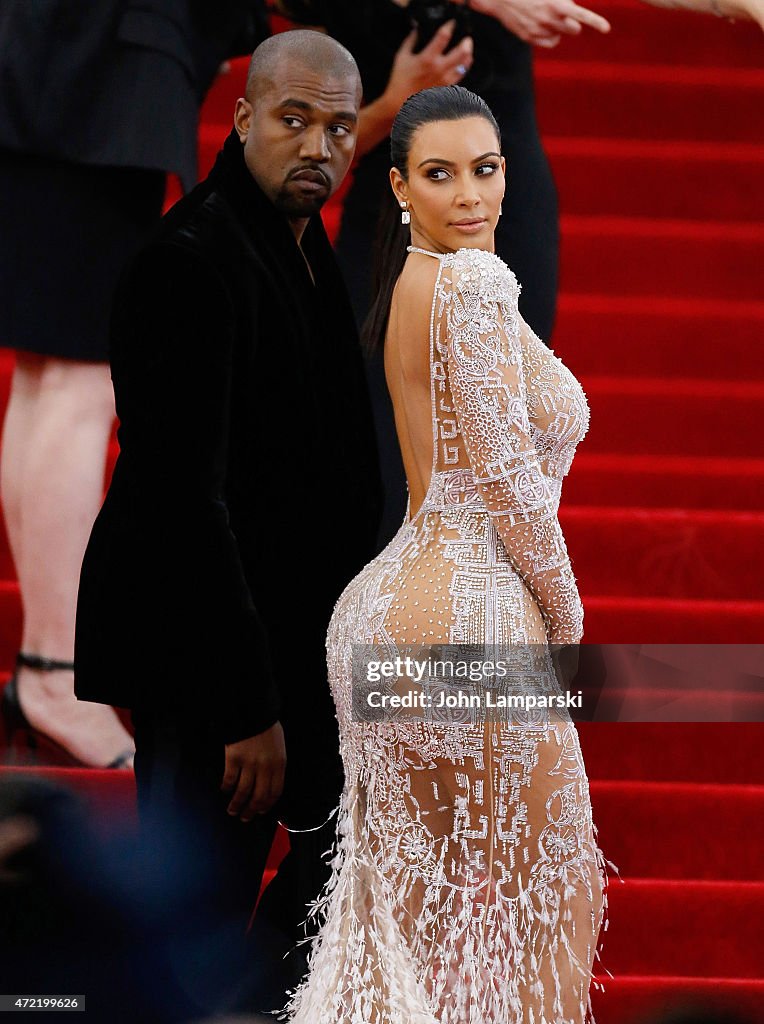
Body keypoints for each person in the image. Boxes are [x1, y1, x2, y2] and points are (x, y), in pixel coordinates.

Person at [284, 85, 607, 1023]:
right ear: (397, 185)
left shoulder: (418, 282)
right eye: (440, 174)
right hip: (468, 609)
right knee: (556, 899)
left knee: (392, 929)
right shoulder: (473, 284)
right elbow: (507, 479)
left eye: (487, 169)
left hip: (384, 611)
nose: (470, 194)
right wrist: (566, 619)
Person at [74, 29, 381, 1011]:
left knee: (295, 917)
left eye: (338, 126)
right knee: (188, 928)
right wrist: (247, 708)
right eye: (294, 120)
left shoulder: (299, 243)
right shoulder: (191, 261)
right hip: (211, 666)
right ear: (243, 116)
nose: (319, 148)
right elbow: (179, 502)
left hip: (292, 653)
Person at [0, 0, 270, 769]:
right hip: (94, 75)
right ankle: (53, 670)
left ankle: (46, 666)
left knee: (50, 375)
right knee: (79, 381)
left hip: (56, 68)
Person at [278, 0, 610, 545]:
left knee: (505, 423)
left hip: (509, 212)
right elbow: (301, 162)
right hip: (388, 217)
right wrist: (391, 102)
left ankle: (494, 604)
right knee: (372, 436)